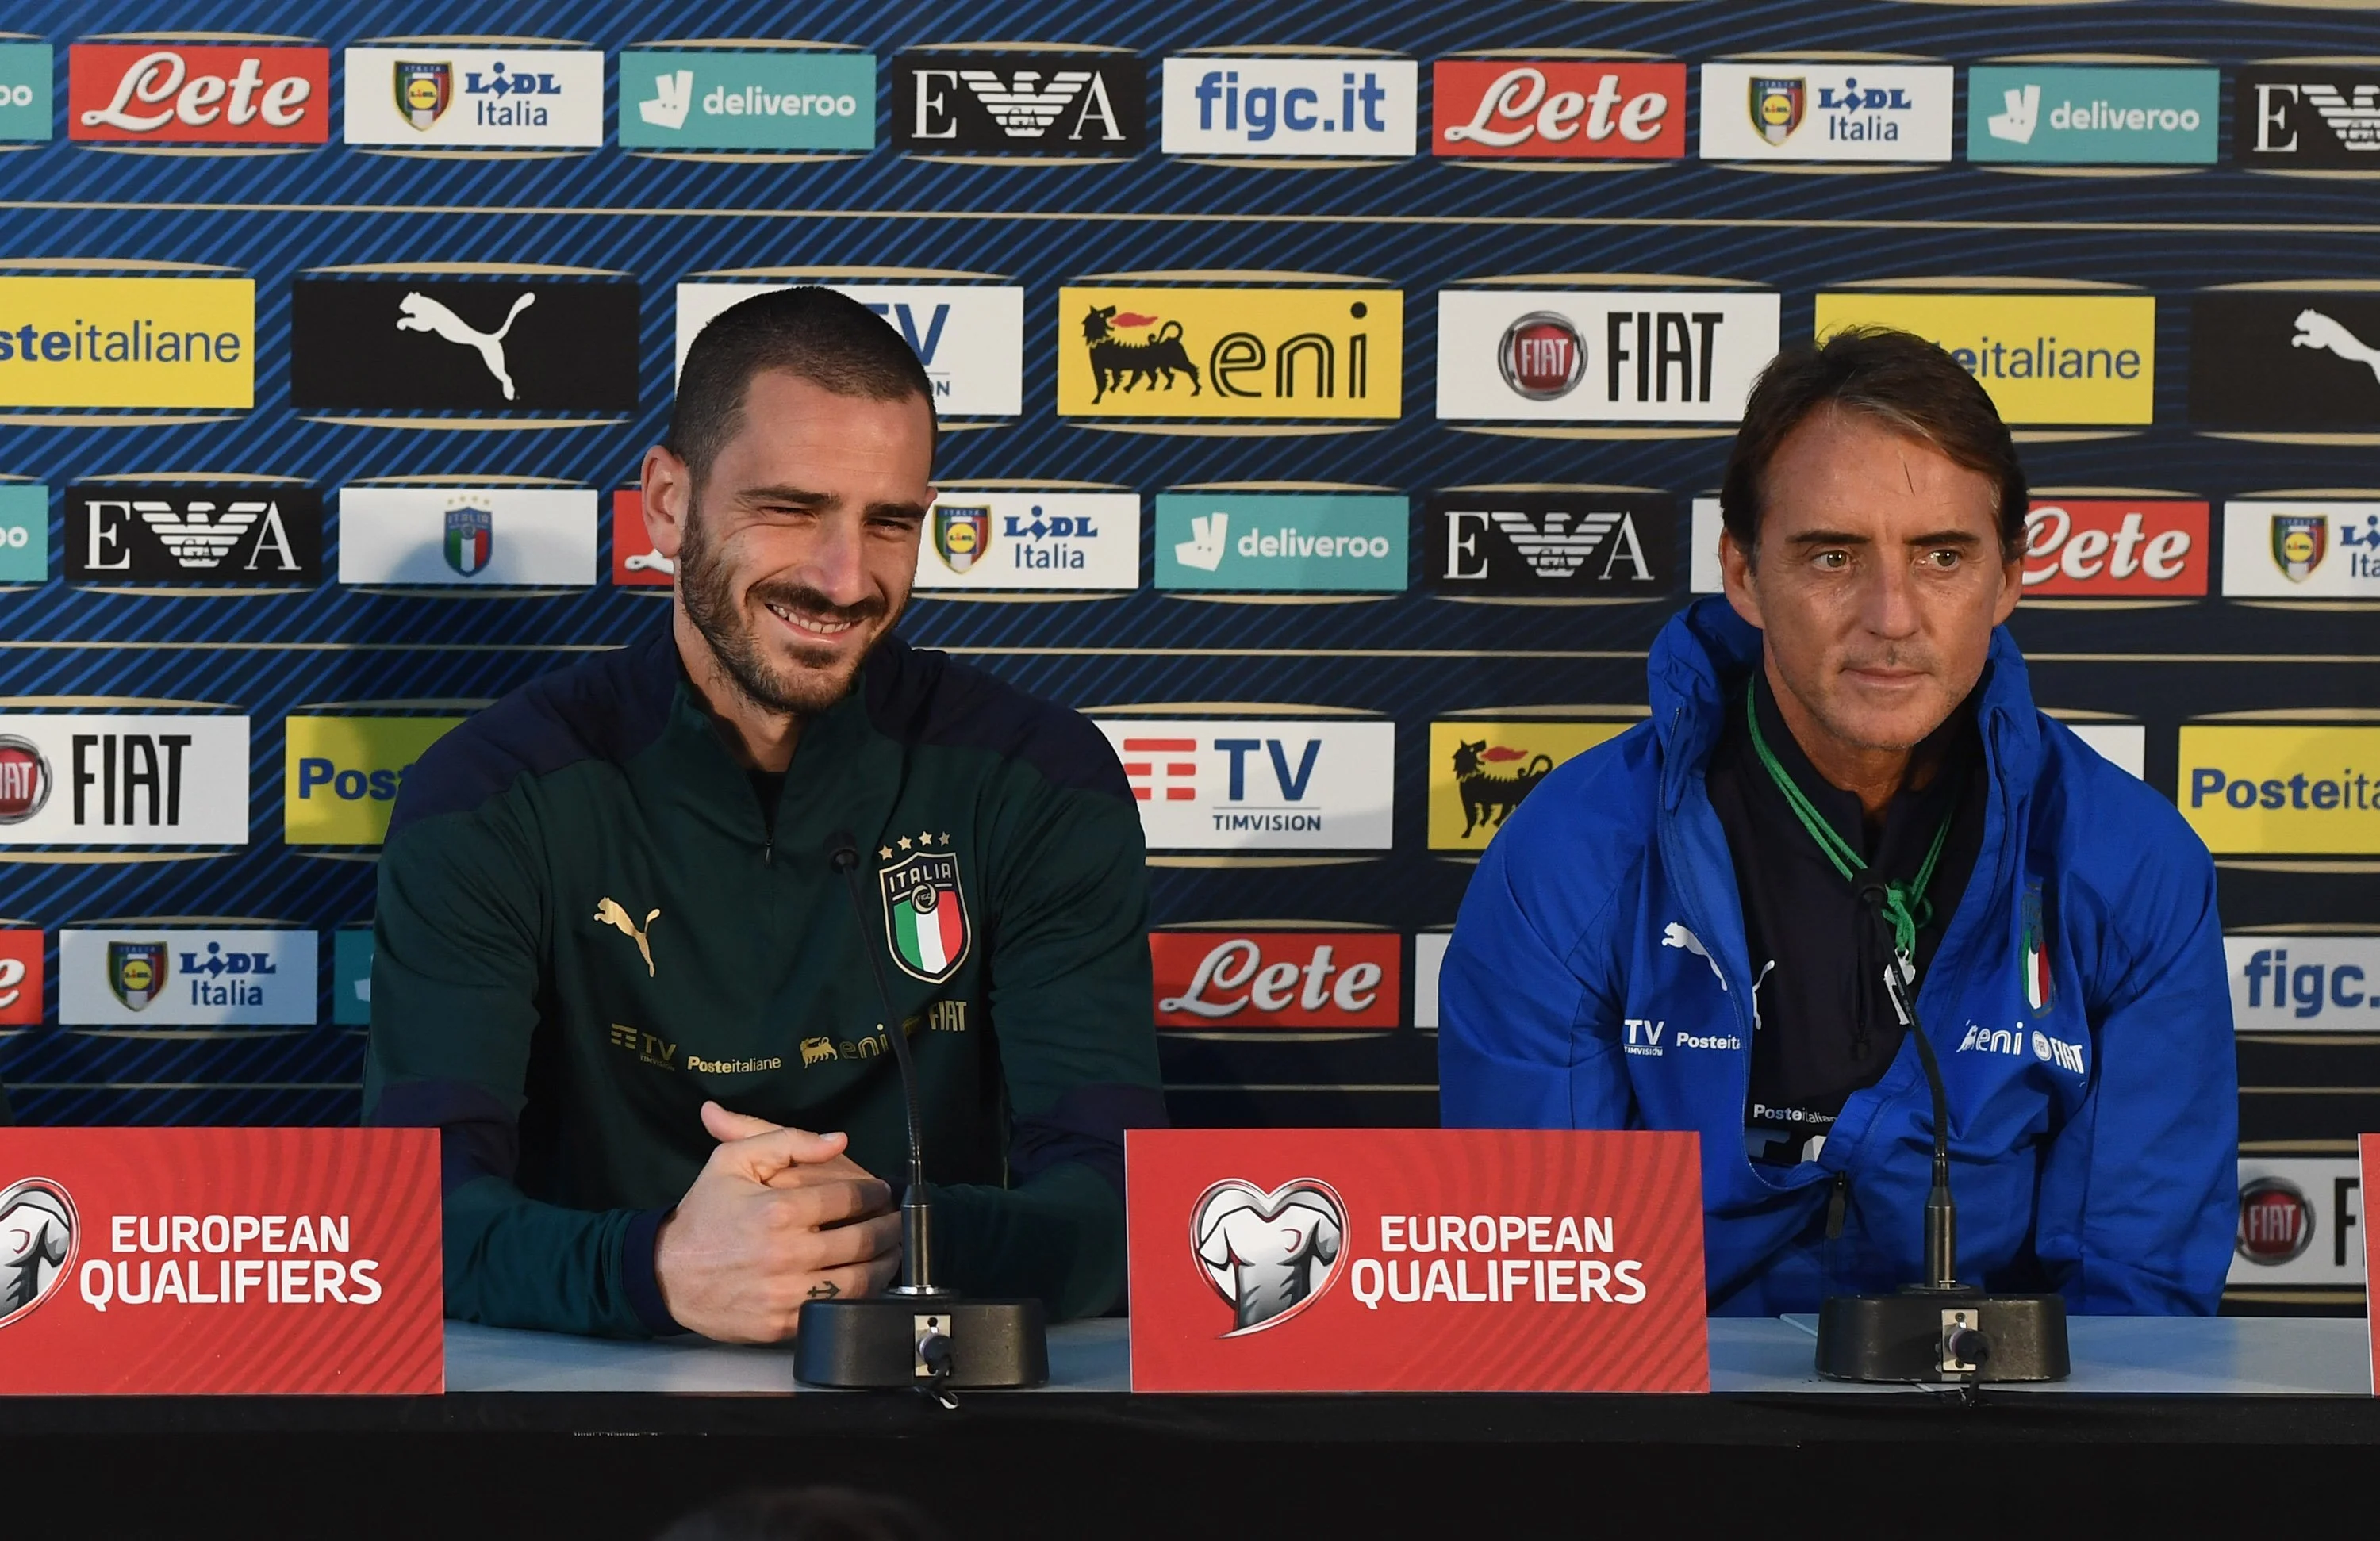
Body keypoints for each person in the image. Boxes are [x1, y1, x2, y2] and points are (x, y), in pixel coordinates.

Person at [364, 287, 1166, 1340]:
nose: (845, 578)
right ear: (666, 503)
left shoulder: (1035, 777)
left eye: (889, 522)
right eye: (790, 509)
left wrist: (884, 1237)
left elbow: (1123, 1201)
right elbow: (415, 1212)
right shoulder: (492, 794)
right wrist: (657, 1265)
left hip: (936, 1406)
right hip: (581, 1416)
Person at [1439, 328, 2235, 1316]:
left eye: (1941, 555)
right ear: (1743, 573)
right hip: (1672, 1404)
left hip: (1994, 1411)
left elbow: (2137, 1313)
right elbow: (1538, 1286)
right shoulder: (1569, 857)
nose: (1891, 616)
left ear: (2009, 579)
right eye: (1832, 555)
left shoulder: (2130, 865)